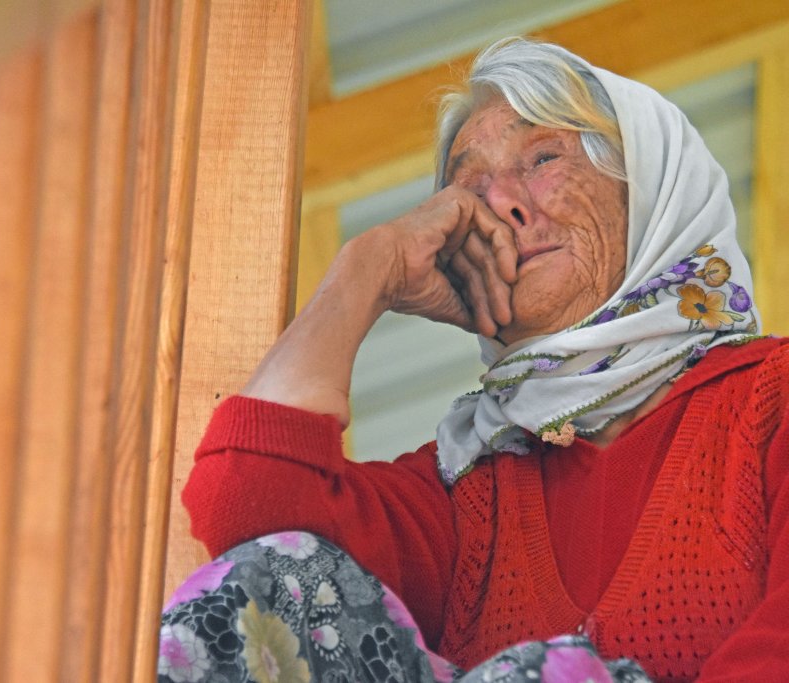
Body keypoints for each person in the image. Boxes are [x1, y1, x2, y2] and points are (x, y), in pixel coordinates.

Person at [158, 38, 789, 683]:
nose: (504, 204)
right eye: (470, 191)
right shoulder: (468, 496)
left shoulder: (773, 399)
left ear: (655, 186)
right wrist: (366, 270)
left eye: (543, 156)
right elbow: (250, 510)